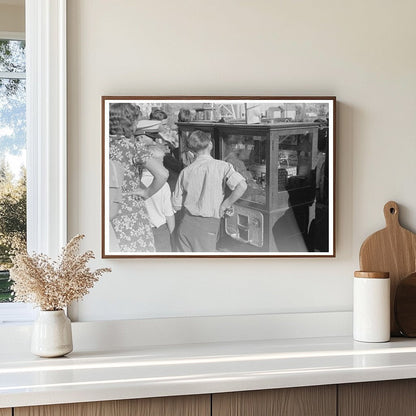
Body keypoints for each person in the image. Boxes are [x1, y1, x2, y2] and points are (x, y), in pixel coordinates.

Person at [172, 130, 247, 252]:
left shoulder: (185, 172)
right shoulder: (223, 166)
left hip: (186, 224)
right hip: (207, 225)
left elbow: (176, 204)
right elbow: (242, 186)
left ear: (191, 151)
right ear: (210, 145)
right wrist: (225, 205)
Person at [109, 103, 168, 252]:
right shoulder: (132, 147)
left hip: (103, 210)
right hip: (129, 211)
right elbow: (162, 174)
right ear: (131, 123)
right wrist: (146, 193)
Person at [141, 169, 175, 252]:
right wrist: (173, 236)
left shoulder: (134, 183)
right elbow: (168, 214)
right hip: (160, 231)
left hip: (141, 231)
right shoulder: (163, 184)